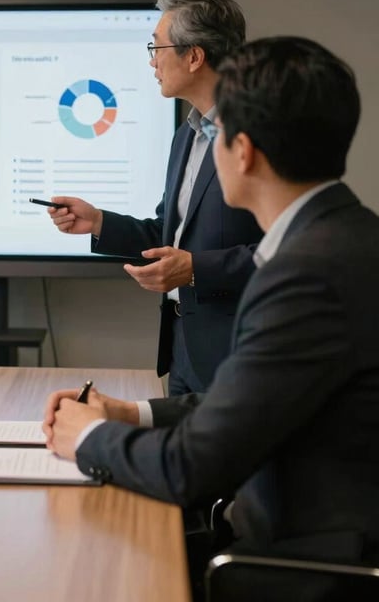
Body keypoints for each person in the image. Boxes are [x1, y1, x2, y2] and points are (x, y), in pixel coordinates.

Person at [43, 36, 379, 598]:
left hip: (298, 567)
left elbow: (188, 470)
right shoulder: (347, 238)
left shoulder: (306, 277)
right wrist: (134, 413)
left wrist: (89, 437)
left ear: (241, 151)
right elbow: (257, 398)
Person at [47, 0, 262, 395]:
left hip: (237, 356)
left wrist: (197, 268)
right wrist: (97, 222)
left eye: (157, 47)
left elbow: (287, 251)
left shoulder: (256, 136)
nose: (152, 60)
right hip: (182, 350)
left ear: (194, 56)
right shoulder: (187, 133)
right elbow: (169, 235)